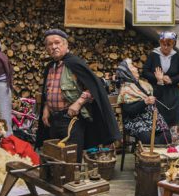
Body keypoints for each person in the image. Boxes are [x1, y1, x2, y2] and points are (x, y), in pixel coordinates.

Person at [36, 28, 120, 160]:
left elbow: (94, 88)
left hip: (72, 119)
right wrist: (46, 108)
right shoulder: (50, 67)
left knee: (72, 157)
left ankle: (73, 179)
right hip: (53, 119)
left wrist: (78, 102)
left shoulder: (74, 63)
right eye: (49, 44)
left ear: (65, 44)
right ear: (46, 48)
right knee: (55, 155)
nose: (53, 47)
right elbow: (48, 90)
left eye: (57, 43)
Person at [142, 31, 179, 141]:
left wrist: (171, 79)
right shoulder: (153, 55)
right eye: (163, 44)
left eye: (169, 45)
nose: (165, 47)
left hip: (172, 95)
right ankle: (159, 145)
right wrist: (157, 78)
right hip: (157, 94)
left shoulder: (176, 56)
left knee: (174, 120)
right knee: (158, 120)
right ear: (160, 43)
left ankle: (174, 147)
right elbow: (145, 71)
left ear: (173, 44)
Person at [116, 58, 171, 145]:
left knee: (167, 136)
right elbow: (129, 111)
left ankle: (156, 153)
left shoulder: (143, 84)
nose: (136, 68)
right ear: (127, 72)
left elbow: (156, 96)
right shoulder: (125, 90)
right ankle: (151, 155)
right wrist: (145, 102)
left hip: (150, 117)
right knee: (148, 138)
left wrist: (160, 80)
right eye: (132, 67)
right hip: (135, 120)